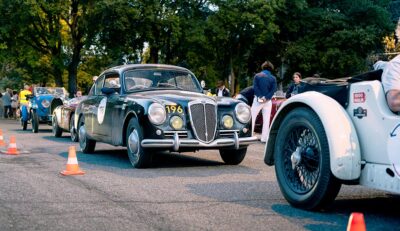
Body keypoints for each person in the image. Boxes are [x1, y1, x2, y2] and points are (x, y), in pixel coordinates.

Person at [251, 61, 277, 143]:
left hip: (258, 100)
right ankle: (264, 138)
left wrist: (260, 96)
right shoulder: (273, 78)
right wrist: (267, 97)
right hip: (268, 101)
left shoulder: (257, 76)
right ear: (271, 68)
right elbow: (273, 90)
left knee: (252, 117)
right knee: (266, 120)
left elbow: (255, 87)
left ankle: (249, 135)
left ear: (263, 67)